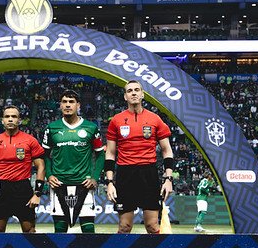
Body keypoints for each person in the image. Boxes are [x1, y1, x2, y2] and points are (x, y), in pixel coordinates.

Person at [104, 80, 174, 234]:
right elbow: (110, 153)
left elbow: (167, 150)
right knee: (124, 227)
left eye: (137, 90)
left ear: (142, 94)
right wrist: (109, 182)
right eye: (129, 91)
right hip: (125, 174)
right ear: (125, 96)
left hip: (148, 174)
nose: (133, 93)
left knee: (152, 227)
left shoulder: (155, 119)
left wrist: (168, 179)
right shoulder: (116, 120)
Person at [0, 105, 45, 233]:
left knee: (29, 230)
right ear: (2, 120)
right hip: (1, 189)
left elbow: (41, 167)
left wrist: (37, 193)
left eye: (14, 116)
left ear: (19, 120)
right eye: (7, 116)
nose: (10, 119)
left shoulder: (30, 140)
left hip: (22, 188)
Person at [41, 90, 104, 233]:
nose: (68, 105)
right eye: (64, 102)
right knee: (60, 232)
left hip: (84, 184)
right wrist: (49, 175)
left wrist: (94, 178)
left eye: (71, 102)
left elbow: (100, 155)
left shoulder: (91, 128)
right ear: (60, 106)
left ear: (78, 105)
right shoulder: (51, 128)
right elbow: (45, 155)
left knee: (88, 232)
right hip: (59, 183)